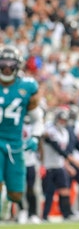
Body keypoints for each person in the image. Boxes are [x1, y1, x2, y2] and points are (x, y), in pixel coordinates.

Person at [0, 46, 44, 217]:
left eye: (11, 64)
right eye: (3, 64)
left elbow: (37, 118)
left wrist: (35, 136)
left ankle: (5, 206)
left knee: (16, 193)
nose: (7, 68)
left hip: (16, 144)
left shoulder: (27, 86)